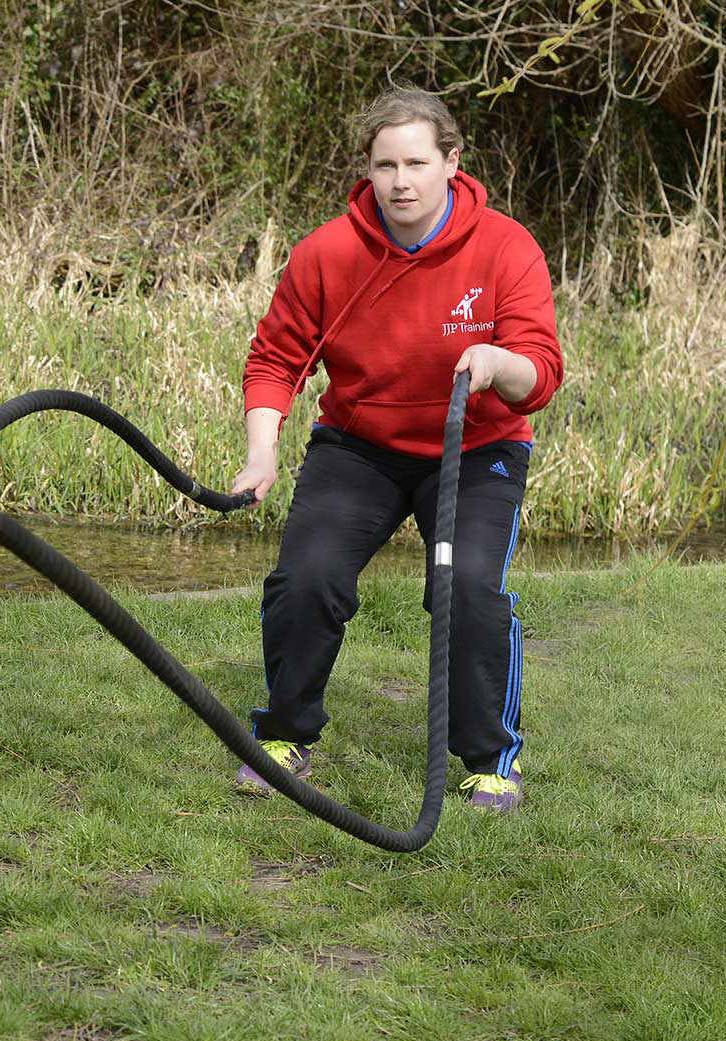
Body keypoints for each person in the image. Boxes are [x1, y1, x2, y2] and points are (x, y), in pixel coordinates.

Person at [227, 86, 563, 812]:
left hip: (477, 451)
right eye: (385, 165)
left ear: (452, 162)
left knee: (467, 591)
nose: (401, 181)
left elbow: (540, 373)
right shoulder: (328, 253)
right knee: (306, 578)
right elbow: (275, 361)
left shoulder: (506, 247)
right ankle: (285, 735)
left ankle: (489, 761)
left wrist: (497, 363)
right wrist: (263, 453)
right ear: (368, 169)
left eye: (416, 162)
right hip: (360, 447)